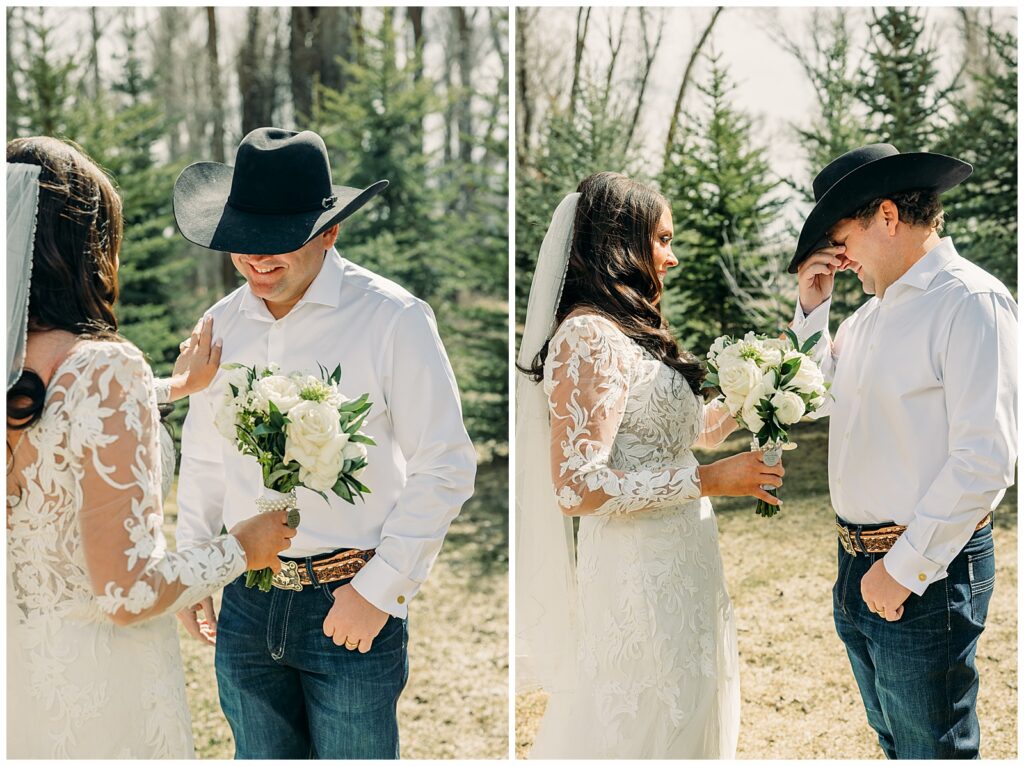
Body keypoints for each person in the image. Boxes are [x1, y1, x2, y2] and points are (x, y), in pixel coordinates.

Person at [171, 127, 476, 759]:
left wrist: (378, 590)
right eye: (243, 242)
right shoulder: (219, 327)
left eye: (277, 242)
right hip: (246, 605)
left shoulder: (393, 319)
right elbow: (204, 460)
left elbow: (445, 465)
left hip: (350, 603)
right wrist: (195, 567)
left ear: (330, 230)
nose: (257, 260)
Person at [6, 137, 297, 759]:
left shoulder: (19, 375)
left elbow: (53, 417)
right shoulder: (107, 371)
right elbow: (128, 590)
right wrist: (245, 546)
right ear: (88, 247)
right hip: (97, 684)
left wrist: (169, 389)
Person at [516, 172, 786, 758]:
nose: (673, 256)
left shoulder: (630, 333)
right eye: (662, 239)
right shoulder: (588, 336)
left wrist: (763, 383)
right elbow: (576, 487)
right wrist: (710, 479)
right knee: (645, 721)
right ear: (621, 242)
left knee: (693, 705)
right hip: (634, 570)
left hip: (684, 558)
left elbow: (684, 431)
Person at [789, 143, 1018, 758]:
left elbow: (987, 458)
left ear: (886, 217)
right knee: (895, 743)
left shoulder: (970, 302)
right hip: (856, 568)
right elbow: (813, 402)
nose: (838, 258)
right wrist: (812, 309)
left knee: (932, 750)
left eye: (841, 239)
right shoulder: (864, 320)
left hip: (926, 573)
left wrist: (903, 569)